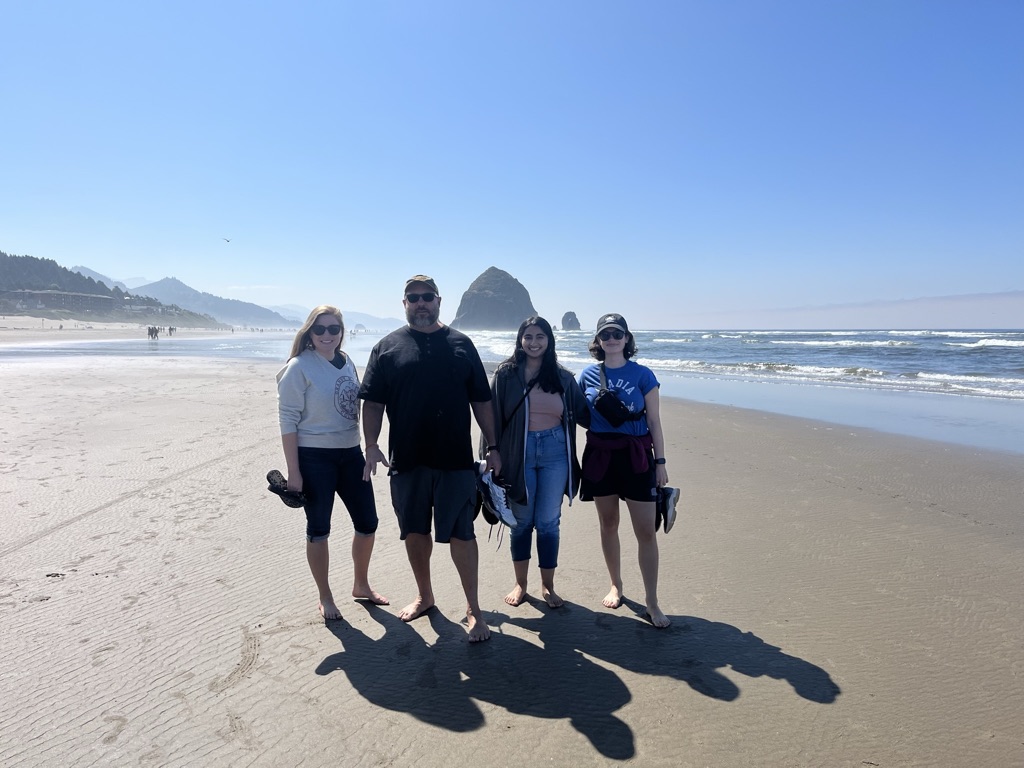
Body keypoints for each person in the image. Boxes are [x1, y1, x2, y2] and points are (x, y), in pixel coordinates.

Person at [359, 275, 501, 643]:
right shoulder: (387, 348)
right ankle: (425, 595)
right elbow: (372, 402)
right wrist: (371, 445)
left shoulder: (461, 344)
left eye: (427, 297)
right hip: (407, 460)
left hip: (455, 460)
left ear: (439, 301)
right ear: (404, 303)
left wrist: (494, 447)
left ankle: (473, 608)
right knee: (415, 531)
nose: (420, 303)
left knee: (462, 534)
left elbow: (481, 401)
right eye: (413, 298)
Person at [277, 305, 388, 621]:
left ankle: (361, 585)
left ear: (342, 332)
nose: (327, 335)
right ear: (309, 333)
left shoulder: (347, 362)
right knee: (319, 529)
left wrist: (369, 446)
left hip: (351, 454)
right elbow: (287, 420)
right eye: (320, 329)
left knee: (368, 523)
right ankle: (325, 596)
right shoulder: (299, 367)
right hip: (315, 458)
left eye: (334, 329)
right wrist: (294, 471)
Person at [490, 316, 590, 608]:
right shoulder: (507, 375)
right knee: (521, 523)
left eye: (540, 337)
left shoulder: (562, 377)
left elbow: (585, 414)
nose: (534, 343)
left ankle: (547, 586)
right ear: (520, 340)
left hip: (555, 452)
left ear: (549, 340)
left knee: (548, 522)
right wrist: (490, 453)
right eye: (528, 337)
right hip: (516, 453)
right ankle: (520, 585)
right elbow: (492, 417)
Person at [578, 313, 671, 628]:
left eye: (618, 333)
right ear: (598, 341)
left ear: (627, 338)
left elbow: (655, 421)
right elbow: (575, 414)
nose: (612, 339)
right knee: (608, 524)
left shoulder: (643, 375)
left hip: (637, 457)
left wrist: (661, 463)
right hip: (601, 456)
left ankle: (652, 602)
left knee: (646, 531)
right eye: (605, 334)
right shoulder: (587, 376)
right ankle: (616, 585)